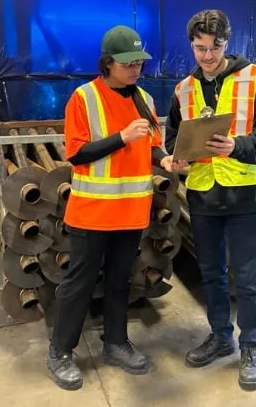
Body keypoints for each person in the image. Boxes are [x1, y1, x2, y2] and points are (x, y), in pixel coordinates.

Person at [47, 25, 186, 391]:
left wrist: (165, 159)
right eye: (128, 64)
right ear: (107, 63)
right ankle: (61, 351)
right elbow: (77, 153)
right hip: (93, 214)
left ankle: (115, 343)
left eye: (139, 62)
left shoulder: (145, 99)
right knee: (78, 284)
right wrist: (121, 138)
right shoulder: (84, 98)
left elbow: (152, 146)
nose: (135, 69)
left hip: (130, 213)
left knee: (120, 282)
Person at [165, 10, 256, 391]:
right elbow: (171, 140)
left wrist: (236, 145)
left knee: (246, 278)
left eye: (215, 47)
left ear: (226, 43)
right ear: (191, 45)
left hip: (245, 193)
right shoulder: (183, 90)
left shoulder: (253, 78)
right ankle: (220, 336)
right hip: (203, 195)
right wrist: (177, 158)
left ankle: (249, 346)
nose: (207, 55)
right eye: (200, 48)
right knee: (211, 273)